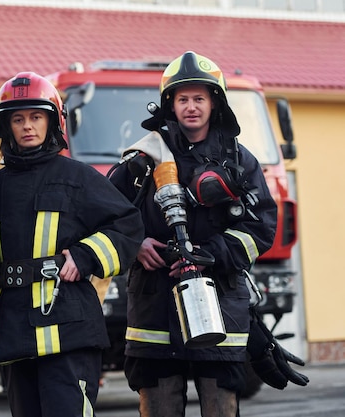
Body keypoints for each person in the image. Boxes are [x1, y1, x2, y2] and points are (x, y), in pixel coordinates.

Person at [108, 51, 278, 416]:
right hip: (154, 304)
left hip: (220, 302)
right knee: (158, 403)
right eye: (182, 98)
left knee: (220, 403)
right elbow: (105, 212)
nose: (191, 107)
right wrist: (135, 244)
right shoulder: (141, 159)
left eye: (199, 97)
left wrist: (214, 252)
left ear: (214, 102)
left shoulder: (239, 160)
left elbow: (262, 226)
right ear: (170, 104)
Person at [0, 71, 144, 417]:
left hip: (70, 333)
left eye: (36, 117)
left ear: (52, 122)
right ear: (6, 127)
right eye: (18, 118)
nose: (28, 126)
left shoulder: (79, 177)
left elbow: (129, 226)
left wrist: (87, 255)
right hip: (15, 335)